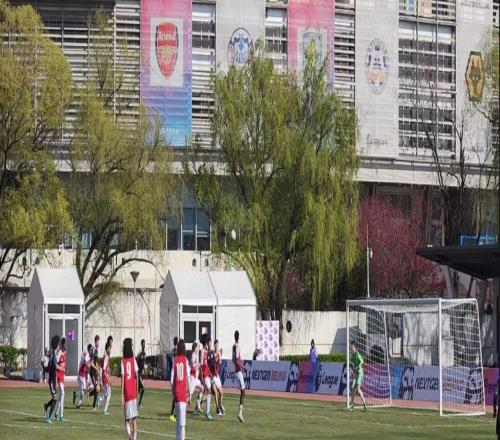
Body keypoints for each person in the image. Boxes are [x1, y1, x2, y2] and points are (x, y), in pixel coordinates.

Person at [171, 339, 190, 440]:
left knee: (178, 422)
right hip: (183, 394)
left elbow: (171, 379)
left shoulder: (175, 360)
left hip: (176, 396)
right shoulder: (185, 360)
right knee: (182, 424)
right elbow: (188, 378)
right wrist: (190, 394)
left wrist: (173, 390)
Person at [121, 338, 139, 440]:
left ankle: (130, 437)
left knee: (126, 420)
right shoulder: (133, 360)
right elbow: (137, 375)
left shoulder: (123, 361)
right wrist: (137, 389)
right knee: (134, 419)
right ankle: (134, 438)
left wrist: (121, 394)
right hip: (133, 391)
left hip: (127, 392)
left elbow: (123, 378)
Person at [43, 335, 60, 424]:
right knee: (55, 399)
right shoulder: (53, 355)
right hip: (52, 380)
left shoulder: (52, 354)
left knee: (54, 398)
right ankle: (48, 418)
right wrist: (63, 369)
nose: (59, 345)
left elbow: (50, 366)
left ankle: (46, 406)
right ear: (56, 345)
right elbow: (55, 366)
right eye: (58, 344)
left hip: (53, 380)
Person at [349, 341, 367, 411]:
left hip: (360, 373)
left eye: (352, 347)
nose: (351, 348)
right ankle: (352, 405)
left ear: (354, 347)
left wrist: (357, 367)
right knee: (352, 388)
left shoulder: (357, 354)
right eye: (351, 347)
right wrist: (352, 369)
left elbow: (362, 361)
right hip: (356, 373)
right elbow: (352, 363)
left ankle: (364, 403)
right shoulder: (352, 355)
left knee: (358, 388)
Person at [232, 330, 245, 423]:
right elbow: (236, 360)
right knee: (243, 392)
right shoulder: (237, 346)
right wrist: (242, 367)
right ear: (238, 337)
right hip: (238, 371)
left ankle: (240, 412)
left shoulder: (233, 346)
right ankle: (240, 412)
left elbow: (233, 360)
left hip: (237, 371)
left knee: (242, 391)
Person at [74, 344, 92, 408]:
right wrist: (88, 365)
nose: (91, 351)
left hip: (84, 375)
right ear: (89, 349)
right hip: (81, 374)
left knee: (83, 391)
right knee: (83, 391)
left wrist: (87, 377)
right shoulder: (86, 355)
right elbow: (85, 362)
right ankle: (76, 394)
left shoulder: (89, 356)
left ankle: (78, 404)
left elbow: (87, 366)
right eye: (91, 350)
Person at [201, 334, 213, 420]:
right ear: (206, 342)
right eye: (209, 341)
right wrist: (202, 377)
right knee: (209, 391)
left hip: (208, 375)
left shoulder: (207, 351)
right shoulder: (202, 352)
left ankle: (201, 406)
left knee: (208, 392)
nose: (210, 343)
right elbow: (202, 365)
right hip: (205, 375)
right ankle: (207, 412)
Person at [211, 339, 224, 416]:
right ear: (214, 345)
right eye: (216, 345)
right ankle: (217, 408)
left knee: (221, 393)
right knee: (215, 392)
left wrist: (219, 356)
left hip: (217, 375)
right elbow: (212, 363)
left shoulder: (218, 353)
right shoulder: (212, 353)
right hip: (212, 375)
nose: (217, 346)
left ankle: (219, 404)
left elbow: (220, 362)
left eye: (218, 345)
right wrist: (216, 357)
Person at [189, 342, 203, 415]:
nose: (198, 348)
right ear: (195, 348)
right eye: (197, 347)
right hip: (193, 377)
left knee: (202, 388)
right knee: (189, 396)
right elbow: (192, 365)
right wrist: (198, 365)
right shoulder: (193, 355)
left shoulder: (196, 355)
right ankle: (177, 409)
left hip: (195, 378)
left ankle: (198, 406)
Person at [55, 337, 67, 422]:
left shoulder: (65, 352)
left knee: (60, 396)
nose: (66, 346)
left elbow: (64, 363)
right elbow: (55, 365)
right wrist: (62, 368)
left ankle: (56, 412)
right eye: (65, 344)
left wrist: (65, 367)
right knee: (62, 393)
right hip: (58, 375)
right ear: (62, 345)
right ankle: (61, 415)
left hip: (62, 376)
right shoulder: (59, 353)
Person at [89, 335, 101, 410]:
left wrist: (98, 369)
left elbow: (95, 362)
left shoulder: (97, 350)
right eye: (98, 342)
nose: (98, 343)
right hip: (92, 371)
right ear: (95, 342)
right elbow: (91, 363)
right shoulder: (93, 350)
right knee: (96, 387)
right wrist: (97, 369)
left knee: (98, 389)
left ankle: (89, 393)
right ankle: (94, 406)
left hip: (95, 371)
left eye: (99, 342)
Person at [169, 336, 179, 422]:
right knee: (176, 395)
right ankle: (172, 414)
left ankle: (174, 413)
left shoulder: (172, 351)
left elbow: (171, 361)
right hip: (176, 373)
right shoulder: (177, 351)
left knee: (176, 395)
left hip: (173, 371)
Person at [102, 341, 112, 415]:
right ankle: (105, 410)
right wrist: (108, 378)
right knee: (109, 394)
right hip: (105, 377)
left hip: (105, 376)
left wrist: (109, 371)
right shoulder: (106, 357)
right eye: (109, 348)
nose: (110, 350)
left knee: (106, 394)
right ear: (107, 349)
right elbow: (104, 369)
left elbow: (106, 368)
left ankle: (99, 399)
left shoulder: (107, 356)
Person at [136, 339, 146, 407]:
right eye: (143, 344)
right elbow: (137, 363)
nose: (143, 345)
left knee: (139, 390)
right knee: (143, 389)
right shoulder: (139, 354)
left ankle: (138, 403)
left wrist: (145, 370)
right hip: (139, 374)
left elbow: (144, 363)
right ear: (141, 344)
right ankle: (138, 403)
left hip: (142, 374)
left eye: (144, 344)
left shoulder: (144, 354)